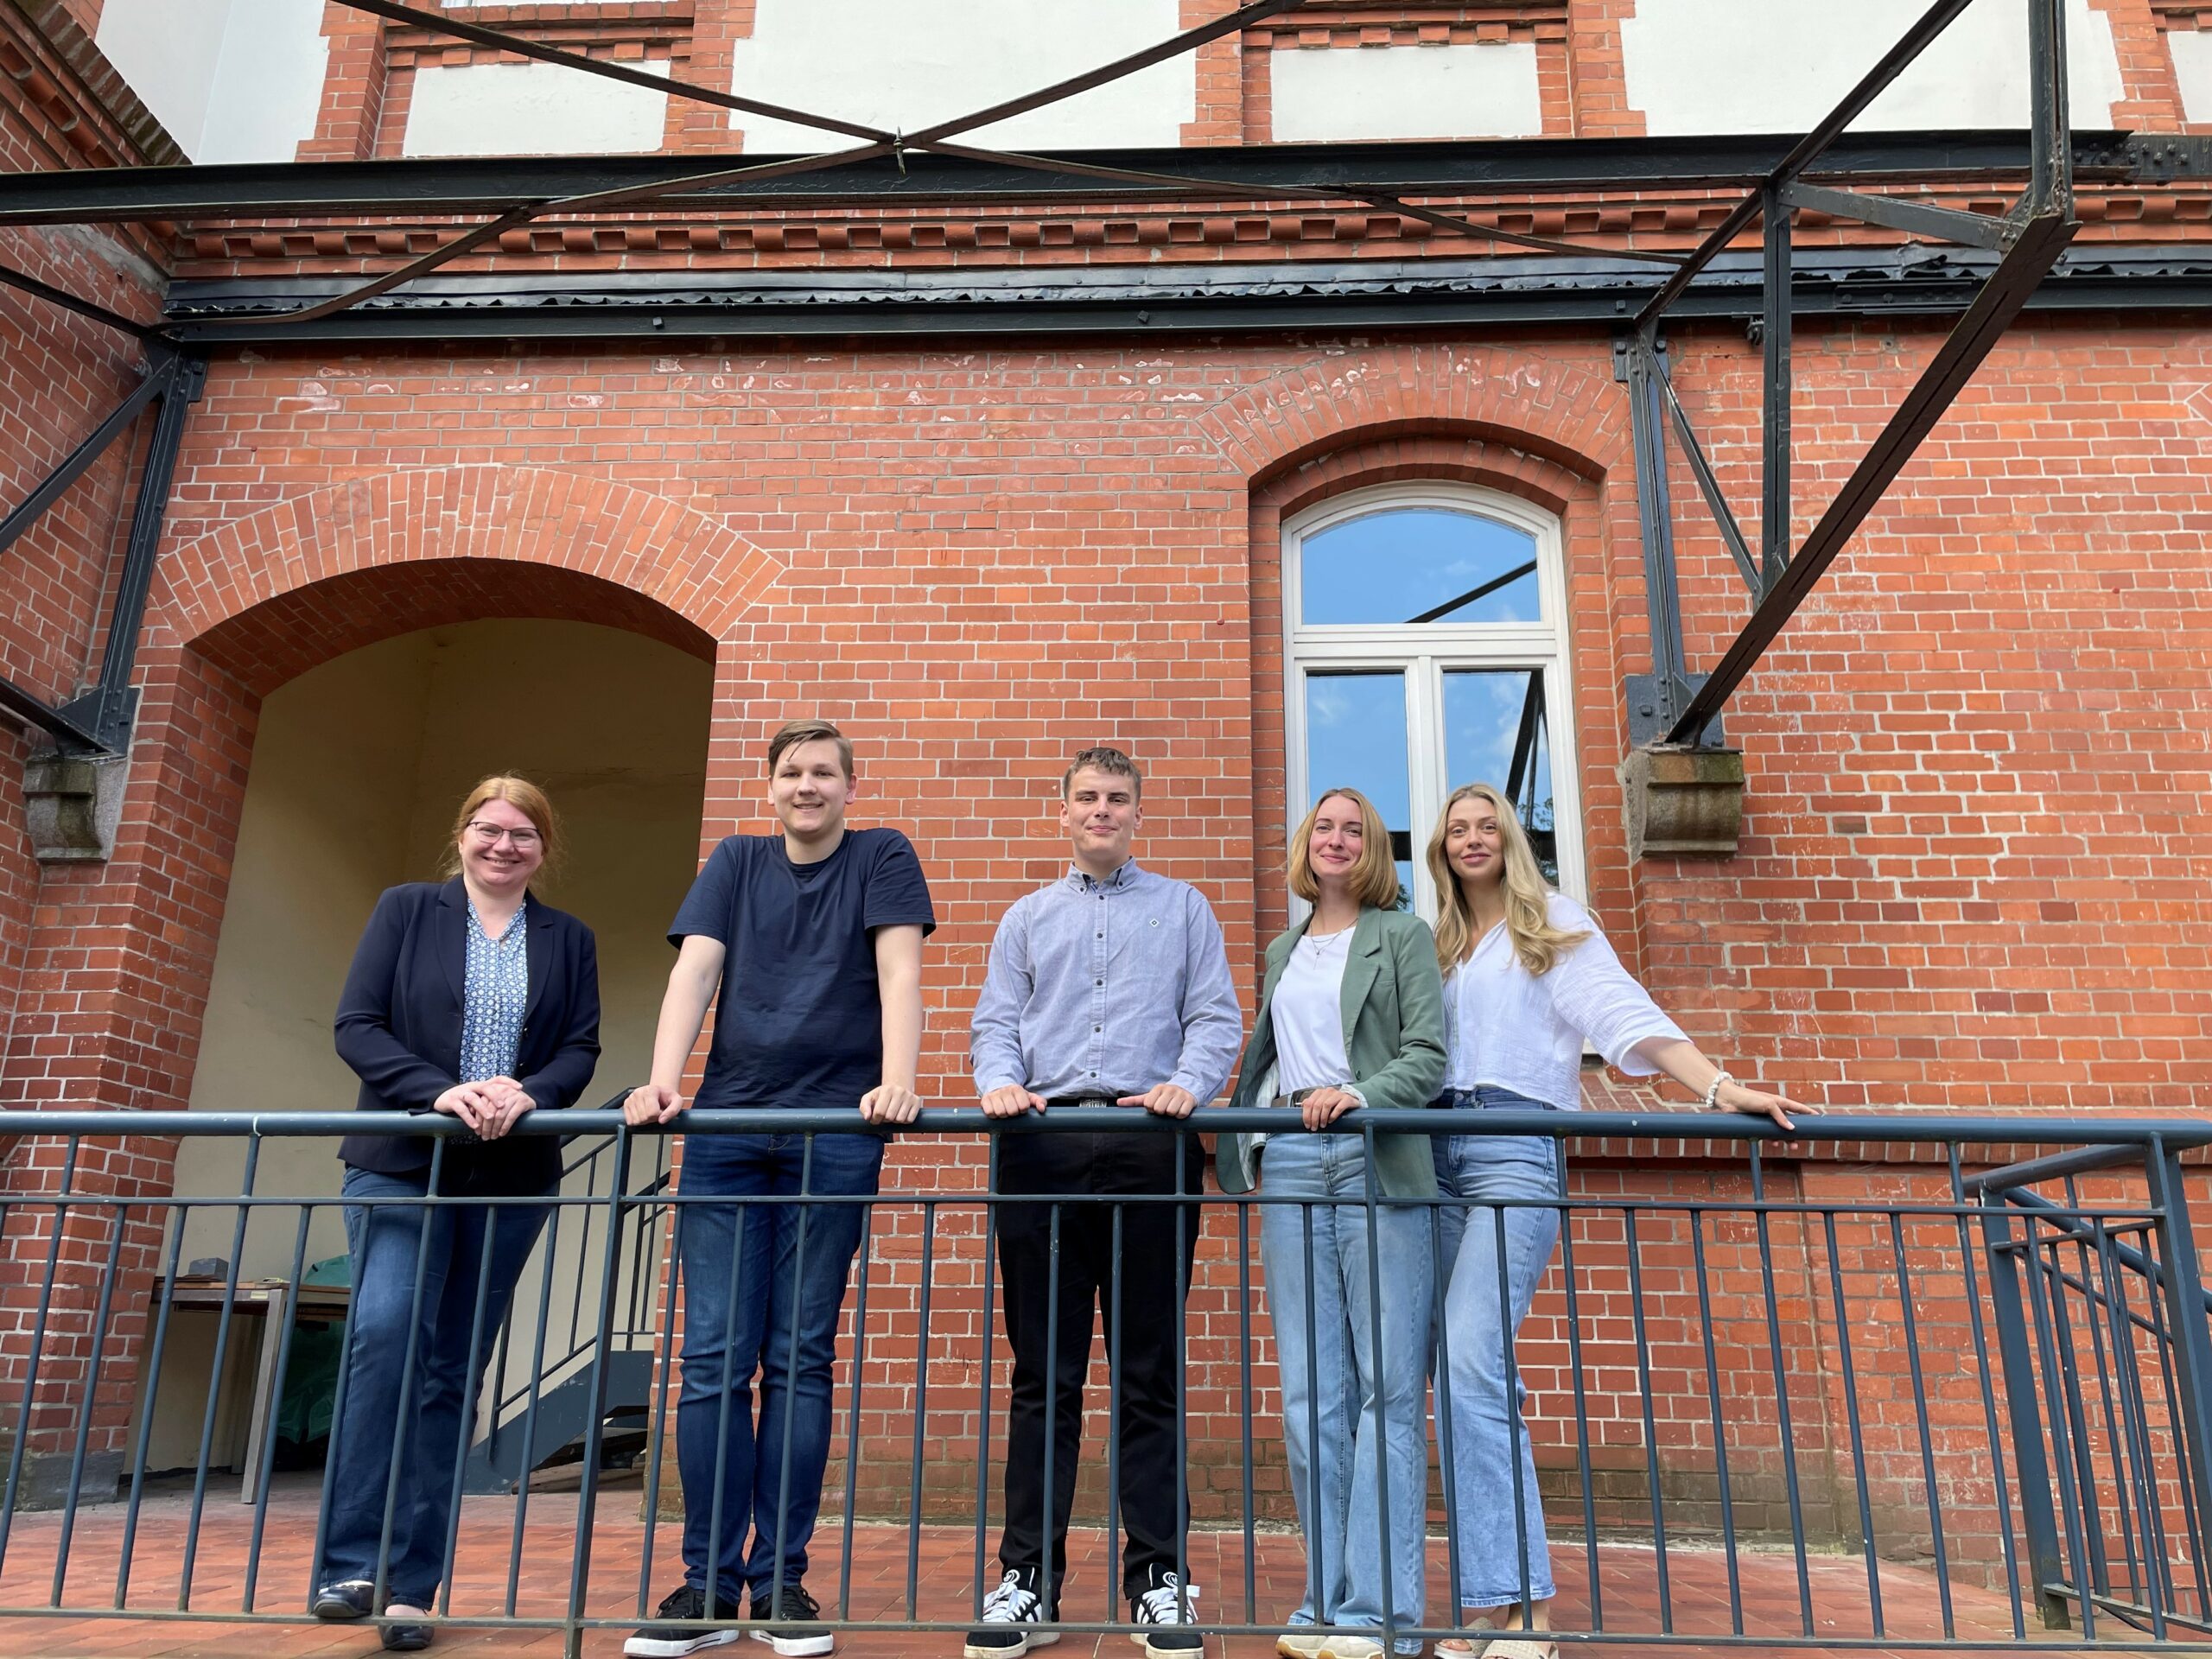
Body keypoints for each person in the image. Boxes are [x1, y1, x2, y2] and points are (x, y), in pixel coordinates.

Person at [1422, 781, 1809, 1659]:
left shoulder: (1552, 924)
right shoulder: (1437, 942)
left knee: (1474, 1356)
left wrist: (1717, 1087)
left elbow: (1624, 1015)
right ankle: (1491, 1602)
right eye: (1458, 830)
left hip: (1514, 1147)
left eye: (1488, 826)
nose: (1473, 839)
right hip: (1434, 1156)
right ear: (1442, 849)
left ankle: (1528, 1615)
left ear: (1511, 840)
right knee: (1462, 1370)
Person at [625, 719, 934, 1659]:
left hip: (834, 1134)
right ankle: (706, 1588)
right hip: (723, 1132)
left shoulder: (882, 855)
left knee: (799, 1355)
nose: (807, 786)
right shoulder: (736, 861)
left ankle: (781, 1585)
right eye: (792, 773)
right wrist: (663, 1078)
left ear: (850, 785)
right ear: (770, 788)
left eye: (824, 773)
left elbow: (899, 969)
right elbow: (695, 971)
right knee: (714, 1357)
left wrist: (898, 1078)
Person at [964, 746, 1242, 1659]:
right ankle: (1026, 1582)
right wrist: (1001, 1083)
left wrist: (1188, 1085)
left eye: (1116, 797)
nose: (1101, 810)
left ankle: (1158, 1580)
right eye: (1086, 796)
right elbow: (995, 1021)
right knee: (1044, 1377)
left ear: (1136, 811)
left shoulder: (1184, 909)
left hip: (1146, 1150)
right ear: (1063, 810)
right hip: (1040, 1151)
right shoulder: (1025, 917)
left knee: (1148, 1375)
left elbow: (1214, 1018)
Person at [314, 776, 601, 1653]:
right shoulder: (407, 911)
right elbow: (358, 1025)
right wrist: (439, 1093)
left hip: (510, 1176)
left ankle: (411, 1587)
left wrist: (529, 1091)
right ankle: (347, 1567)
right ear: (462, 835)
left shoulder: (567, 939)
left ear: (543, 848)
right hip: (402, 1165)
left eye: (522, 834)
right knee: (386, 1336)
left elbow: (579, 1045)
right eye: (489, 829)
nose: (503, 845)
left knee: (451, 1372)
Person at [1217, 787, 1446, 1659]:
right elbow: (1267, 1059)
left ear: (1374, 849)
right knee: (1312, 1394)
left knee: (1386, 1387)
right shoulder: (1283, 947)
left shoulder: (1402, 936)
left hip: (1374, 1157)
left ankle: (1380, 1614)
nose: (1338, 839)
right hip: (1292, 1166)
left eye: (1355, 829)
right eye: (1325, 827)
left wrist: (1360, 1094)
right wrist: (1241, 1137)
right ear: (1304, 846)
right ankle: (1325, 1600)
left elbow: (1427, 1055)